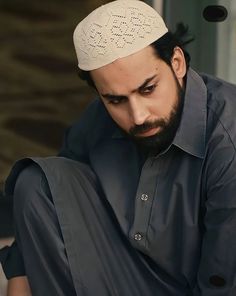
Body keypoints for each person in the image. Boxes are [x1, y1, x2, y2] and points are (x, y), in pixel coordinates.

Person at [1, 0, 236, 295]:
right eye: (115, 100)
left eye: (148, 89)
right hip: (134, 275)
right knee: (38, 184)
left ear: (177, 63)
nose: (137, 116)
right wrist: (19, 278)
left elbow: (223, 282)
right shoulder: (98, 120)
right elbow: (53, 204)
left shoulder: (228, 137)